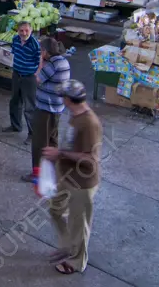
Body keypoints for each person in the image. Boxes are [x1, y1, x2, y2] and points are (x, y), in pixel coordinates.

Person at [43, 79, 102, 275]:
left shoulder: (90, 123)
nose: (62, 99)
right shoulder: (75, 115)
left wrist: (60, 154)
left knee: (79, 224)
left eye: (63, 96)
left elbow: (91, 159)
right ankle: (69, 246)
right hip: (66, 176)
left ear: (69, 99)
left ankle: (78, 261)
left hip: (82, 183)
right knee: (55, 210)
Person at [27, 37, 71, 184]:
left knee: (40, 142)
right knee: (52, 140)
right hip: (57, 108)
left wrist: (40, 62)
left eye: (41, 51)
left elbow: (37, 78)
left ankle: (37, 174)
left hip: (46, 109)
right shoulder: (63, 61)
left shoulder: (53, 64)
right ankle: (53, 170)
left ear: (45, 51)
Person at [4, 21, 40, 141]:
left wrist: (36, 74)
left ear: (31, 31)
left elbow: (40, 62)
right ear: (17, 31)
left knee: (29, 106)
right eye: (21, 31)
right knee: (15, 101)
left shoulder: (35, 44)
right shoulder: (15, 39)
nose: (24, 33)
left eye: (27, 30)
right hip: (16, 74)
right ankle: (15, 126)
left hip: (29, 78)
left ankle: (33, 134)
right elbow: (14, 53)